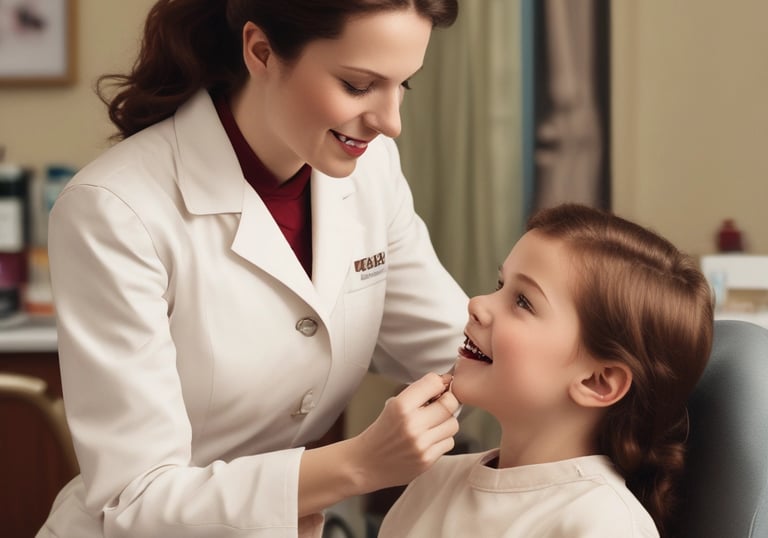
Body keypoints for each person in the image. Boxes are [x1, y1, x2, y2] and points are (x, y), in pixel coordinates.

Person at [38, 1, 467, 537]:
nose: (390, 123)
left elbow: (459, 353)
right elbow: (137, 502)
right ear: (261, 51)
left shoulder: (370, 169)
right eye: (358, 86)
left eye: (405, 85)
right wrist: (361, 463)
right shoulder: (114, 210)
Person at [379, 203, 715, 537]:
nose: (477, 304)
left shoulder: (604, 524)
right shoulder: (434, 482)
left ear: (598, 382)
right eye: (500, 285)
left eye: (523, 301)